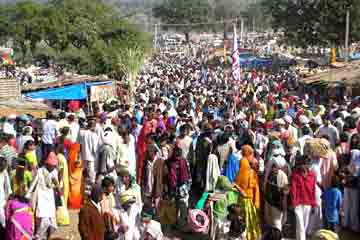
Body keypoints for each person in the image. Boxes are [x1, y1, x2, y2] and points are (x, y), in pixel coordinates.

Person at [27, 152, 59, 240]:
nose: (52, 167)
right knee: (42, 221)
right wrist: (27, 196)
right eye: (51, 165)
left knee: (52, 222)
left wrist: (56, 184)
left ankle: (45, 236)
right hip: (41, 198)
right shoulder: (40, 171)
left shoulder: (55, 172)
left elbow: (57, 187)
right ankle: (38, 236)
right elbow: (33, 184)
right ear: (47, 164)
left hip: (50, 199)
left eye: (54, 165)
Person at [234, 145, 262, 240]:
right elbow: (241, 181)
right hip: (246, 198)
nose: (253, 157)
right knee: (248, 219)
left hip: (247, 197)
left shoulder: (246, 164)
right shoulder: (244, 163)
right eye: (251, 154)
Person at [290, 155, 317, 240]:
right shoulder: (295, 175)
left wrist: (313, 204)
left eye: (307, 164)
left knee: (303, 226)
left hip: (308, 203)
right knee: (300, 224)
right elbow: (293, 190)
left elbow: (313, 191)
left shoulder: (312, 176)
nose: (305, 166)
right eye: (303, 164)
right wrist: (293, 203)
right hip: (297, 204)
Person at [167, 147, 191, 230]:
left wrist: (188, 187)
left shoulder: (184, 161)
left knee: (183, 207)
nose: (177, 158)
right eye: (176, 156)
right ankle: (174, 222)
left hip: (182, 188)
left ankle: (183, 225)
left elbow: (188, 174)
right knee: (174, 206)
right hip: (173, 187)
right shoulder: (169, 162)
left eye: (178, 156)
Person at [79, 119, 100, 184]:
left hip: (84, 155)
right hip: (92, 157)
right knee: (91, 174)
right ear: (93, 126)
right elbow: (94, 148)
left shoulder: (83, 133)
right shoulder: (94, 135)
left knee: (85, 171)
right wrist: (96, 156)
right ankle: (91, 185)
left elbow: (80, 144)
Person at [0, 156, 11, 237]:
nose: (3, 168)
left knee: (3, 220)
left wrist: (7, 198)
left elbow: (8, 186)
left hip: (2, 200)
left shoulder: (4, 171)